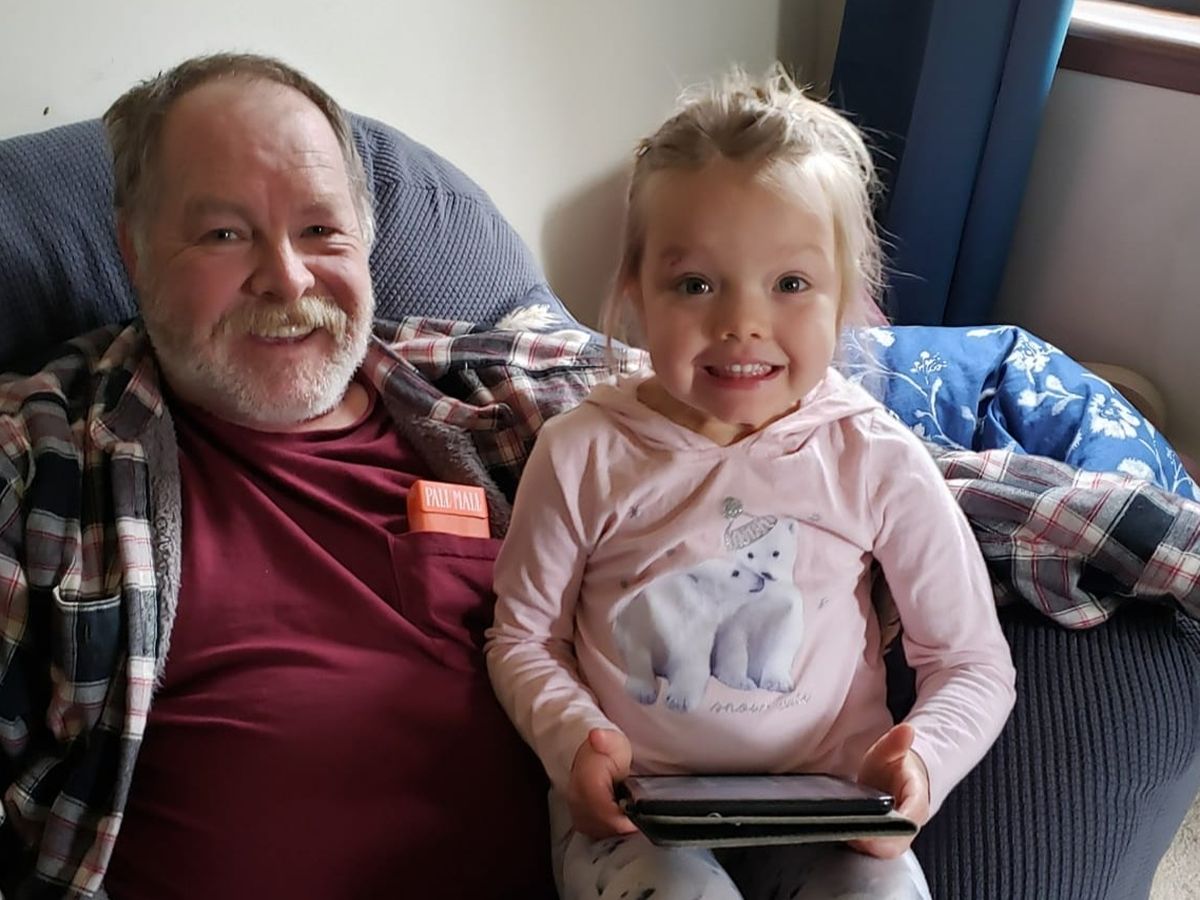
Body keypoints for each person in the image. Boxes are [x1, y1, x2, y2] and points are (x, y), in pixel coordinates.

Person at [0, 52, 624, 899]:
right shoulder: (41, 461)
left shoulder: (497, 402)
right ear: (135, 255)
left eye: (322, 230)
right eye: (224, 235)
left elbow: (731, 387)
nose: (287, 278)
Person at [485, 66, 1018, 899]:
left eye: (791, 284)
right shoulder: (580, 451)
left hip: (831, 809)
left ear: (846, 298)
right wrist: (575, 742)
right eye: (695, 284)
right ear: (634, 292)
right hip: (636, 820)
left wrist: (923, 762)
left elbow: (971, 660)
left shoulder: (876, 457)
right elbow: (522, 638)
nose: (742, 323)